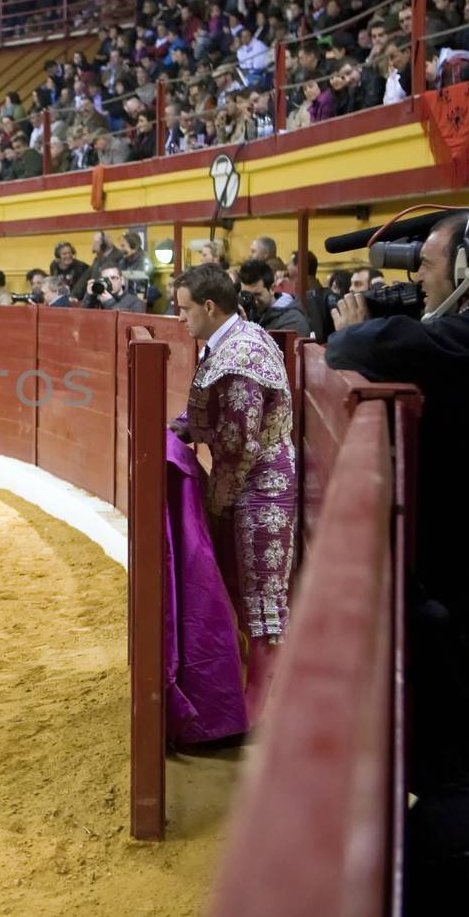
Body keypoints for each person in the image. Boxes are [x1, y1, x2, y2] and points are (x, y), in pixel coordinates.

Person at [326, 211, 469, 792]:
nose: (418, 277)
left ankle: (464, 837)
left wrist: (351, 327)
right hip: (466, 551)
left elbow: (366, 346)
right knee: (445, 713)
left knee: (449, 729)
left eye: (426, 264)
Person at [171, 263, 296, 720]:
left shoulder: (240, 354)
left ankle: (261, 708)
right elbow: (221, 421)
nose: (180, 318)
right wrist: (180, 429)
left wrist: (221, 496)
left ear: (208, 306)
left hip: (261, 489)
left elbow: (241, 441)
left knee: (263, 601)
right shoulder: (233, 341)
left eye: (184, 310)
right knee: (247, 595)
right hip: (252, 483)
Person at [236, 260, 310, 333]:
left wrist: (245, 330)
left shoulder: (293, 320)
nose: (252, 301)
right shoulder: (247, 312)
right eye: (246, 295)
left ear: (272, 289)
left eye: (257, 295)